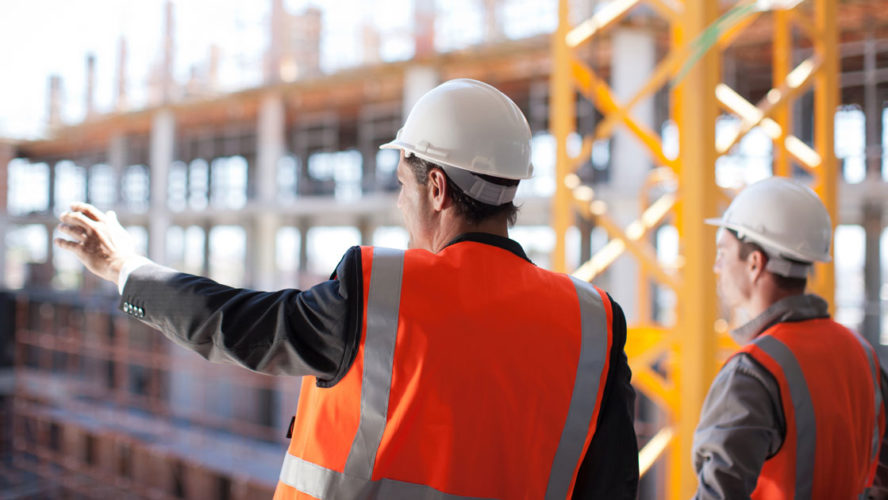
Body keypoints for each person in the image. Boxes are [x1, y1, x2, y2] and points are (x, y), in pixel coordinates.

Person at [55, 79, 638, 499]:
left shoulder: (384, 292)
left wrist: (124, 266)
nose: (399, 201)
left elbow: (234, 323)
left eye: (402, 184)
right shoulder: (593, 325)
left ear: (436, 188)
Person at [693, 176, 887, 499]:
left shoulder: (753, 371)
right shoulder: (862, 353)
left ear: (755, 263)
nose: (717, 266)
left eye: (723, 252)